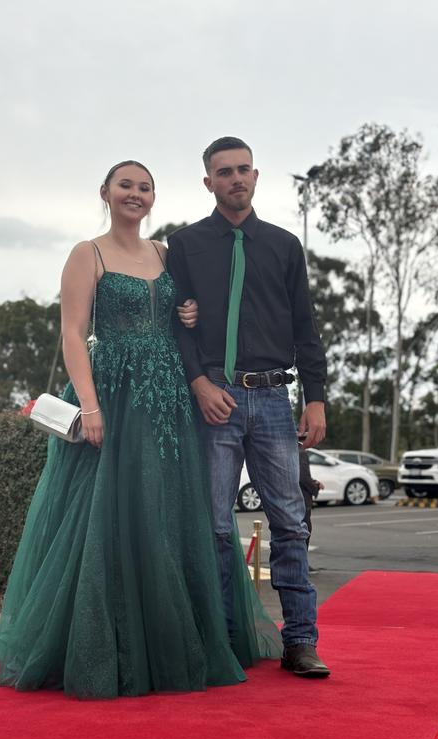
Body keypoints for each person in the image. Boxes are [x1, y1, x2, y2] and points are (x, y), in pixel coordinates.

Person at [0, 159, 281, 699]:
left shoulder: (166, 254)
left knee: (169, 511)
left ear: (153, 198)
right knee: (110, 516)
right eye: (126, 184)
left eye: (145, 187)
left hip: (171, 396)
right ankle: (108, 648)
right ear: (105, 192)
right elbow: (74, 335)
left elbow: (182, 317)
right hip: (115, 395)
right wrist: (91, 405)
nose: (136, 193)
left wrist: (188, 313)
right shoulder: (89, 253)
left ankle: (181, 640)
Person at [168, 137, 331, 678]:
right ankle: (223, 640)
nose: (235, 179)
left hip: (273, 398)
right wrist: (198, 383)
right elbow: (176, 321)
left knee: (289, 520)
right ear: (208, 182)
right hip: (216, 395)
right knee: (215, 524)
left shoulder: (285, 246)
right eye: (224, 172)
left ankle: (301, 641)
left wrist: (315, 399)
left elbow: (306, 328)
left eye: (243, 170)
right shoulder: (185, 244)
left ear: (256, 177)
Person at [298, 445, 321, 545]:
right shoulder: (301, 453)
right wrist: (314, 488)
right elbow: (303, 477)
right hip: (301, 498)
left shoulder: (283, 450)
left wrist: (313, 482)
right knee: (303, 534)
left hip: (285, 499)